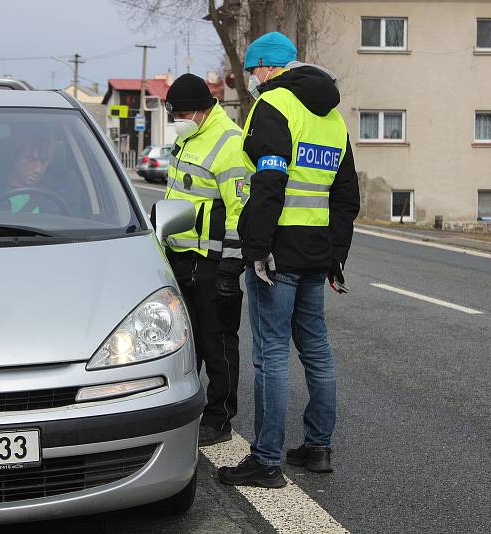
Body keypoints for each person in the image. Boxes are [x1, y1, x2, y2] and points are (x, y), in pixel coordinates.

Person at [217, 32, 360, 488]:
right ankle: (317, 448)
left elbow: (270, 183)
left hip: (277, 253)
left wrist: (255, 249)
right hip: (316, 251)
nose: (253, 78)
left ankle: (265, 460)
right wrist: (336, 255)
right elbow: (345, 196)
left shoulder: (273, 105)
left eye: (254, 70)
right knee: (316, 350)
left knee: (271, 355)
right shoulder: (333, 119)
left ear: (265, 67)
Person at [162, 73, 248, 446]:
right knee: (186, 342)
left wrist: (231, 264)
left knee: (218, 341)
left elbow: (239, 210)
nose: (176, 120)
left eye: (181, 113)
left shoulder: (228, 142)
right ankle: (190, 409)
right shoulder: (188, 138)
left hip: (213, 262)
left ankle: (220, 417)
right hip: (182, 258)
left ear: (201, 110)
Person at [0, 126, 56, 212]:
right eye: (31, 159)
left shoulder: (56, 194)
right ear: (14, 157)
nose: (38, 169)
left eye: (44, 161)